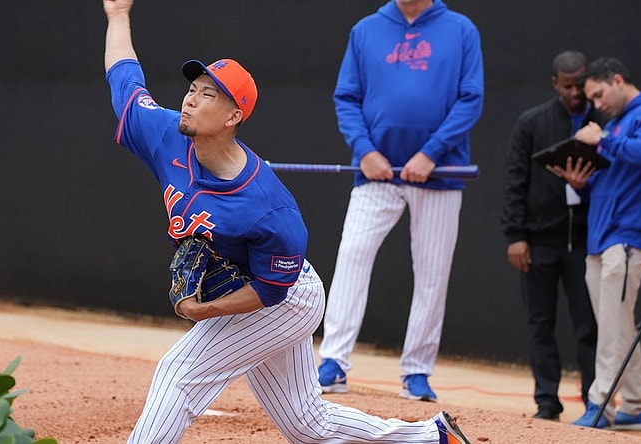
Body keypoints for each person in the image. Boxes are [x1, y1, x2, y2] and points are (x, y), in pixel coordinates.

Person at [101, 0, 473, 442]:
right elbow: (123, 77)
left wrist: (206, 310)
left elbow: (270, 289)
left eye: (208, 94)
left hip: (286, 298)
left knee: (178, 374)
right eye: (193, 88)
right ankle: (433, 438)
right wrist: (118, 16)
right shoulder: (163, 133)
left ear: (233, 116)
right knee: (306, 425)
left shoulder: (268, 206)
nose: (191, 98)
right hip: (262, 291)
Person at [317, 0, 484, 402]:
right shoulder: (366, 30)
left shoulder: (461, 30)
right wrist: (365, 150)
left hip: (439, 173)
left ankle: (417, 371)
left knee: (432, 272)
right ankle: (333, 361)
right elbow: (347, 97)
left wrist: (431, 152)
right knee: (353, 255)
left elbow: (470, 98)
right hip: (376, 170)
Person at [551, 57, 641, 431]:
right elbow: (613, 177)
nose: (596, 105)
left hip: (628, 234)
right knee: (618, 325)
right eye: (593, 99)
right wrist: (580, 180)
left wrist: (603, 139)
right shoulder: (619, 123)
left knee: (612, 327)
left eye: (599, 95)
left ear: (619, 81)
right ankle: (637, 407)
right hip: (604, 237)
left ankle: (601, 405)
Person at [500, 51, 602, 421]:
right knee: (539, 324)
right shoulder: (532, 123)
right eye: (568, 85)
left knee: (589, 324)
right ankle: (547, 401)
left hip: (587, 242)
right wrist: (516, 235)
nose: (576, 92)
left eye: (581, 84)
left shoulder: (603, 120)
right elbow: (515, 181)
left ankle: (596, 400)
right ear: (555, 83)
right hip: (539, 241)